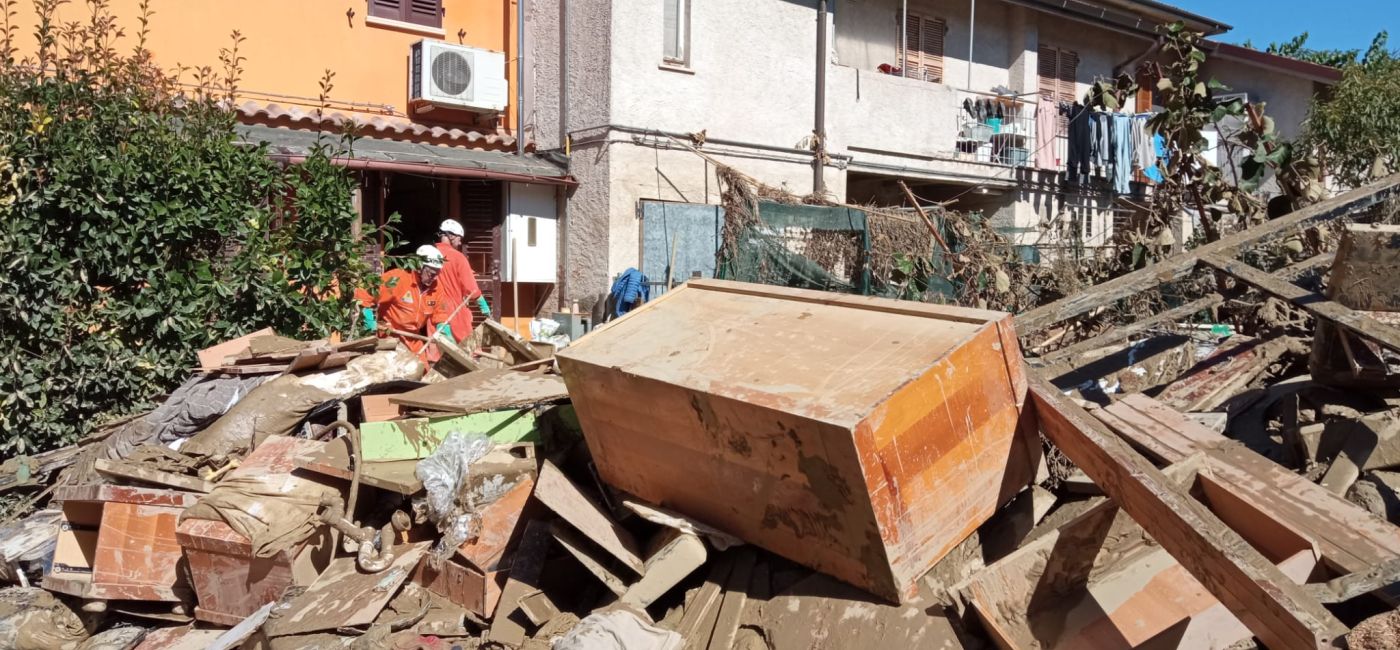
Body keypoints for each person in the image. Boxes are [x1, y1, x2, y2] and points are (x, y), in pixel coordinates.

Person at [355, 245, 451, 357]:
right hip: (390, 337)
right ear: (419, 267)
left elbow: (440, 313)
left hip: (414, 339)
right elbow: (363, 293)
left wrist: (443, 326)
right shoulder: (397, 278)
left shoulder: (436, 288)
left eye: (437, 274)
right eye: (432, 273)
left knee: (422, 369)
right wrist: (367, 317)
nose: (435, 278)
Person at [434, 219, 490, 341]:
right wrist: (483, 305)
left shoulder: (428, 254)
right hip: (454, 311)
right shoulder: (458, 257)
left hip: (433, 310)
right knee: (465, 348)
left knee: (436, 351)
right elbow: (471, 288)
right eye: (459, 239)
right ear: (451, 236)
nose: (460, 243)